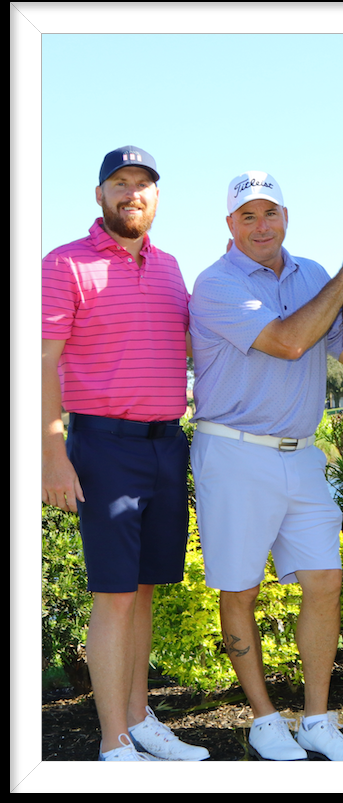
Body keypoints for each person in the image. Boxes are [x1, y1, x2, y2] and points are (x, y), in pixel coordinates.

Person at [188, 171, 343, 761]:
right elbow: (291, 342)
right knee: (240, 589)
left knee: (325, 581)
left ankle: (317, 720)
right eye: (248, 216)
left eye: (270, 213)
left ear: (286, 217)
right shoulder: (215, 283)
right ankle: (264, 720)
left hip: (302, 455)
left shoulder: (313, 275)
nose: (261, 225)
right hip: (234, 452)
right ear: (230, 225)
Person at [41, 146, 209, 762]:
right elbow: (41, 361)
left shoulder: (170, 267)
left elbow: (191, 345)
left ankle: (139, 720)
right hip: (103, 446)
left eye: (142, 184)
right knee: (114, 594)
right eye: (119, 183)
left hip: (167, 444)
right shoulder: (64, 263)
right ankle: (113, 742)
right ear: (100, 195)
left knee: (144, 590)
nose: (131, 193)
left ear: (156, 197)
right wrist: (51, 453)